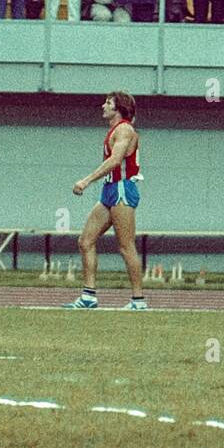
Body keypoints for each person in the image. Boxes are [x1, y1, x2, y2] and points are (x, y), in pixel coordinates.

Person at [67, 90, 147, 311]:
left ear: (118, 108)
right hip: (110, 190)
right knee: (85, 241)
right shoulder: (115, 129)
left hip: (122, 189)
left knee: (125, 246)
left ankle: (138, 300)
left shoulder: (124, 130)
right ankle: (88, 296)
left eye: (108, 102)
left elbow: (115, 160)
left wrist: (86, 181)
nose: (103, 106)